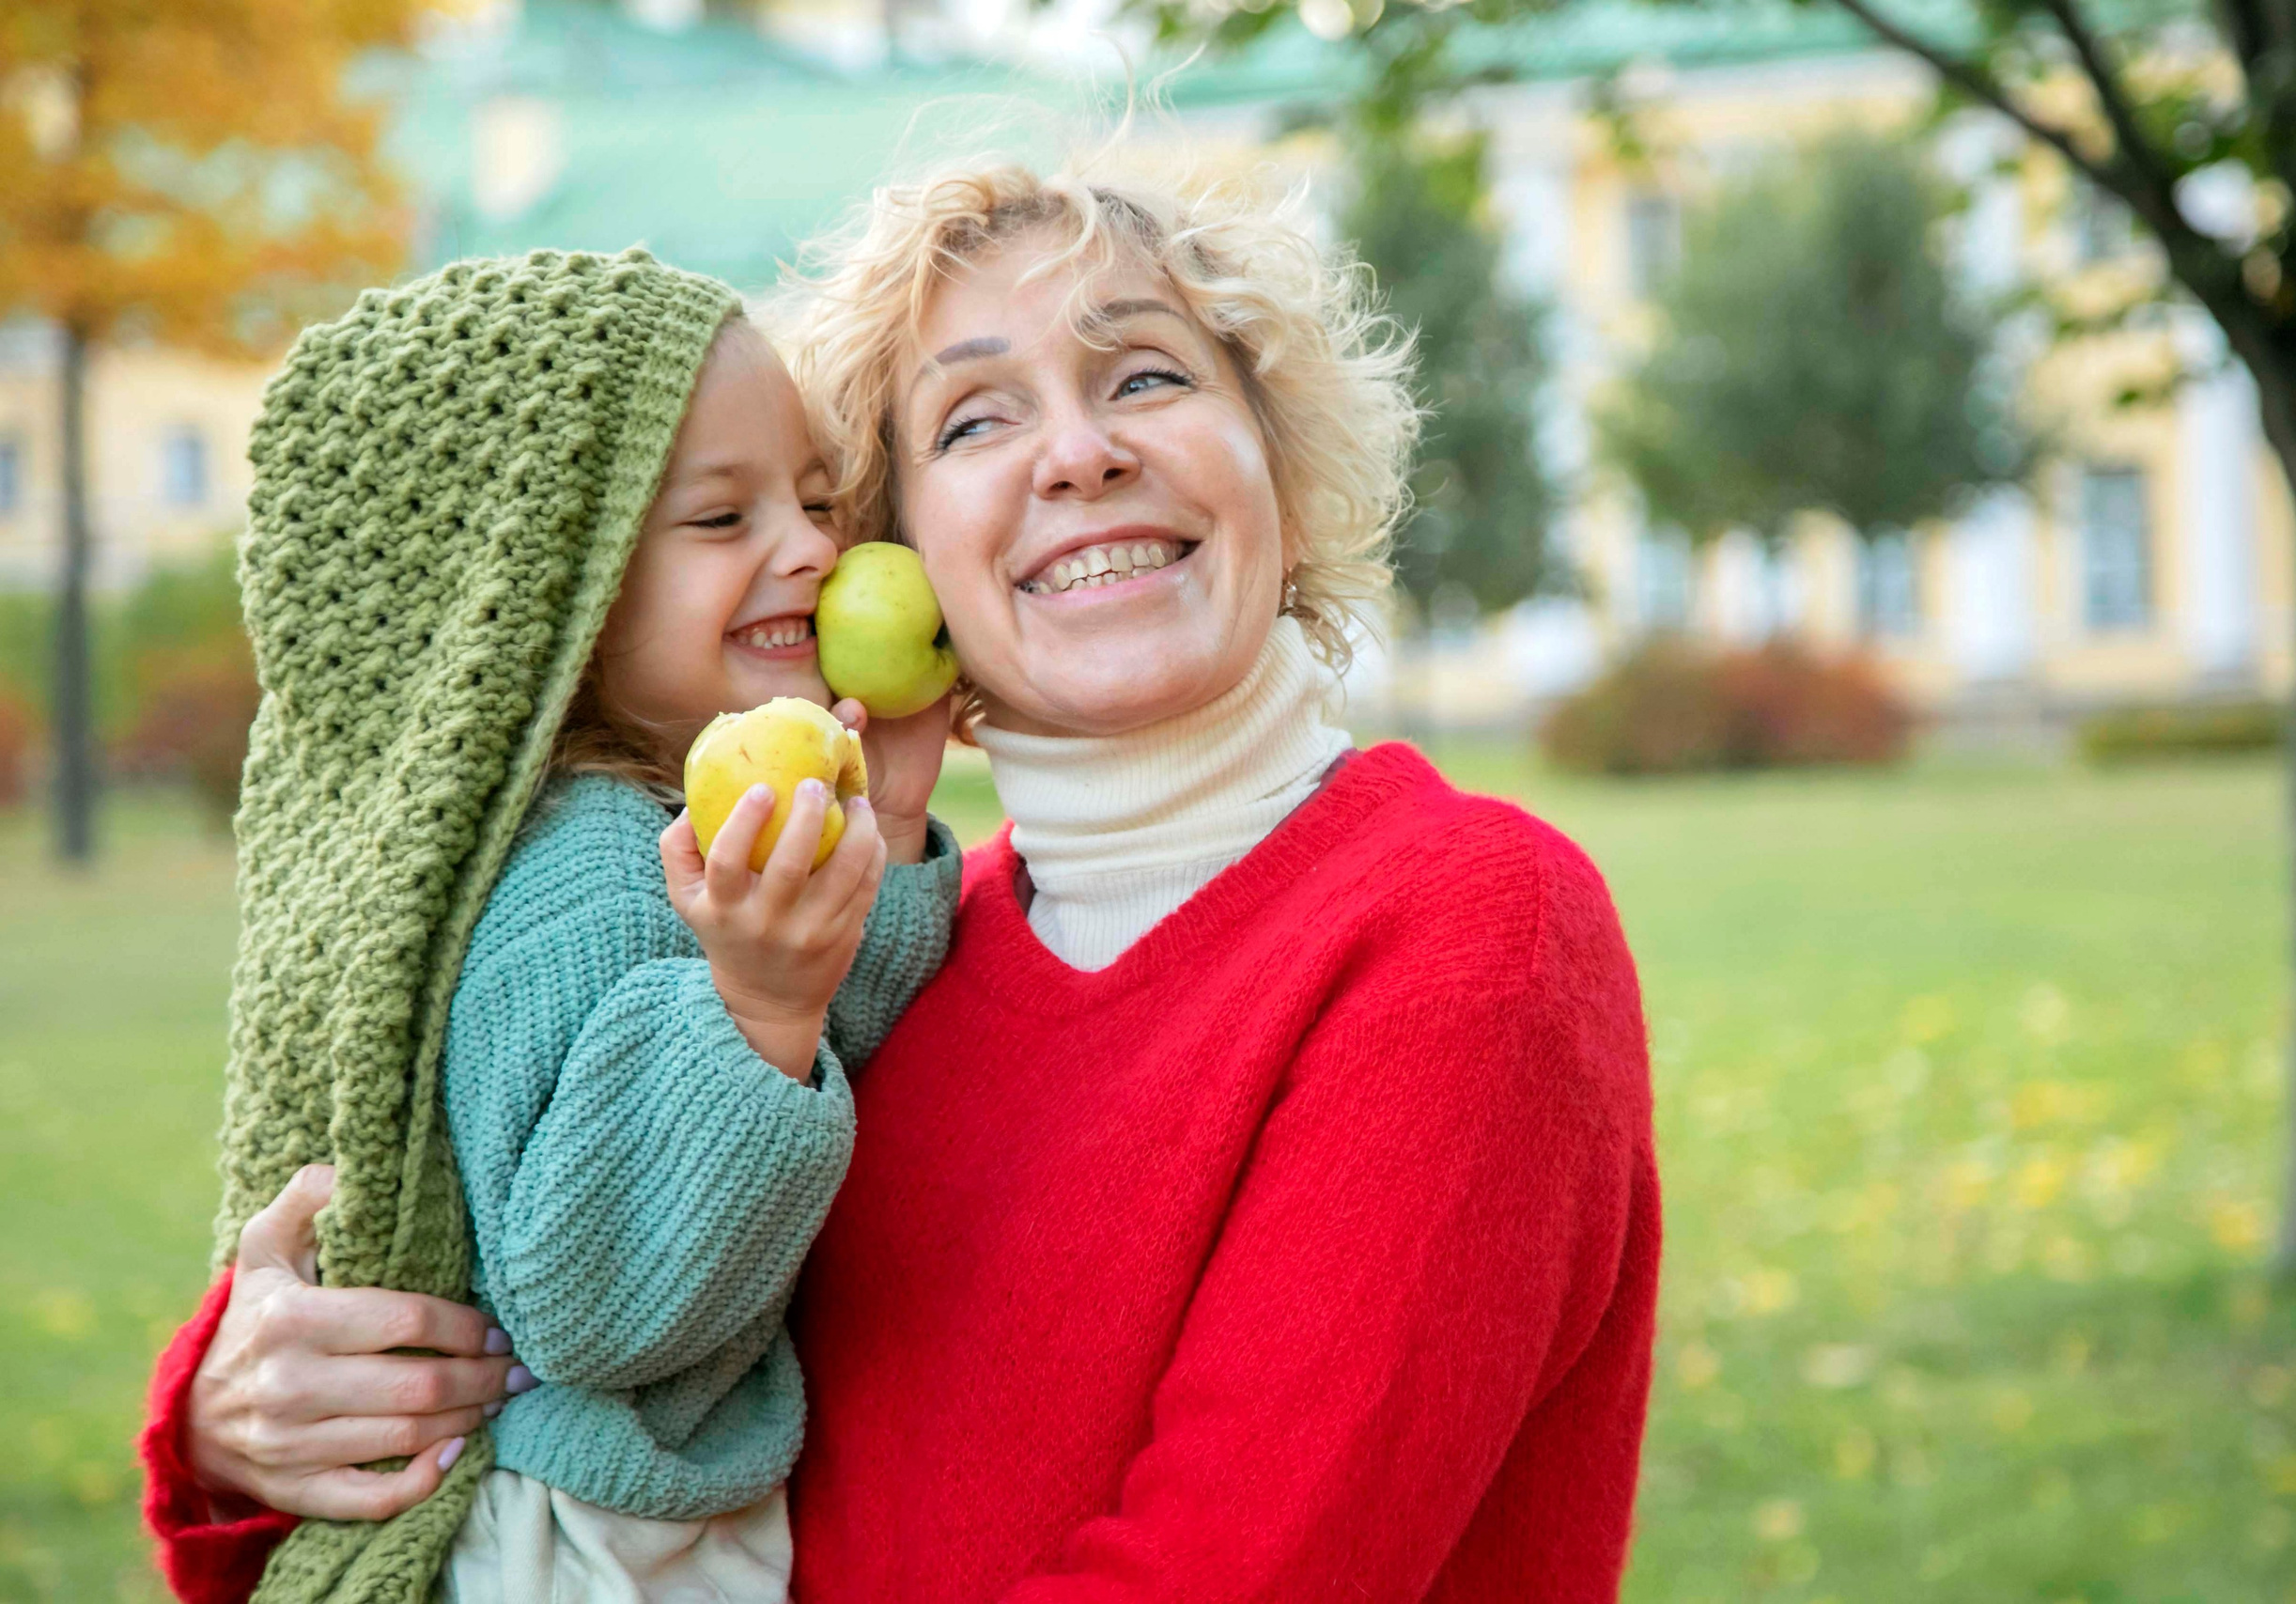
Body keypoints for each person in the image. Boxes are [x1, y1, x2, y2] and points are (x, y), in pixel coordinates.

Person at [142, 164, 1662, 1602]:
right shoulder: (874, 938)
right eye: (979, 420)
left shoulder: (1466, 931)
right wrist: (237, 1424)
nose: (1082, 452)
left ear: (1278, 450)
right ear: (894, 552)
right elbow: (582, 1273)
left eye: (1146, 375)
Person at [170, 248, 958, 1604]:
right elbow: (596, 1301)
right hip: (571, 1554)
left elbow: (838, 1064)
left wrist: (871, 859)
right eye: (723, 519)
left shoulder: (673, 828)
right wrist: (757, 1011)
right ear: (558, 592)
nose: (818, 549)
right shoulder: (588, 867)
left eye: (818, 499)